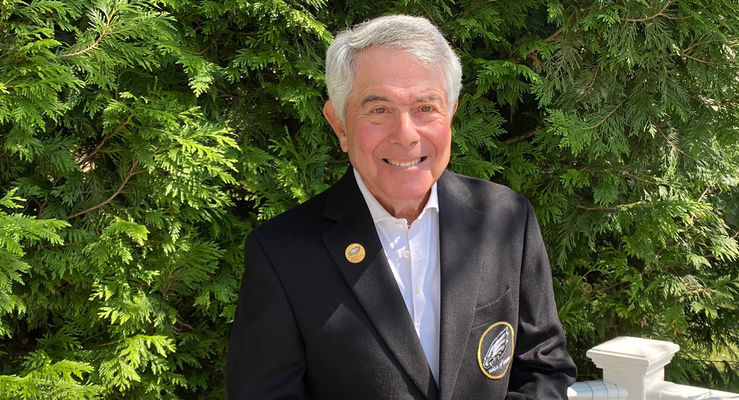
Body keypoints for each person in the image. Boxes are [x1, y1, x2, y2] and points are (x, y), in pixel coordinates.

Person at [226, 14, 577, 400]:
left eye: (426, 107)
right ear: (339, 124)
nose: (406, 135)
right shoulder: (281, 255)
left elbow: (542, 366)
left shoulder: (508, 219)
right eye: (379, 110)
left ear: (451, 114)